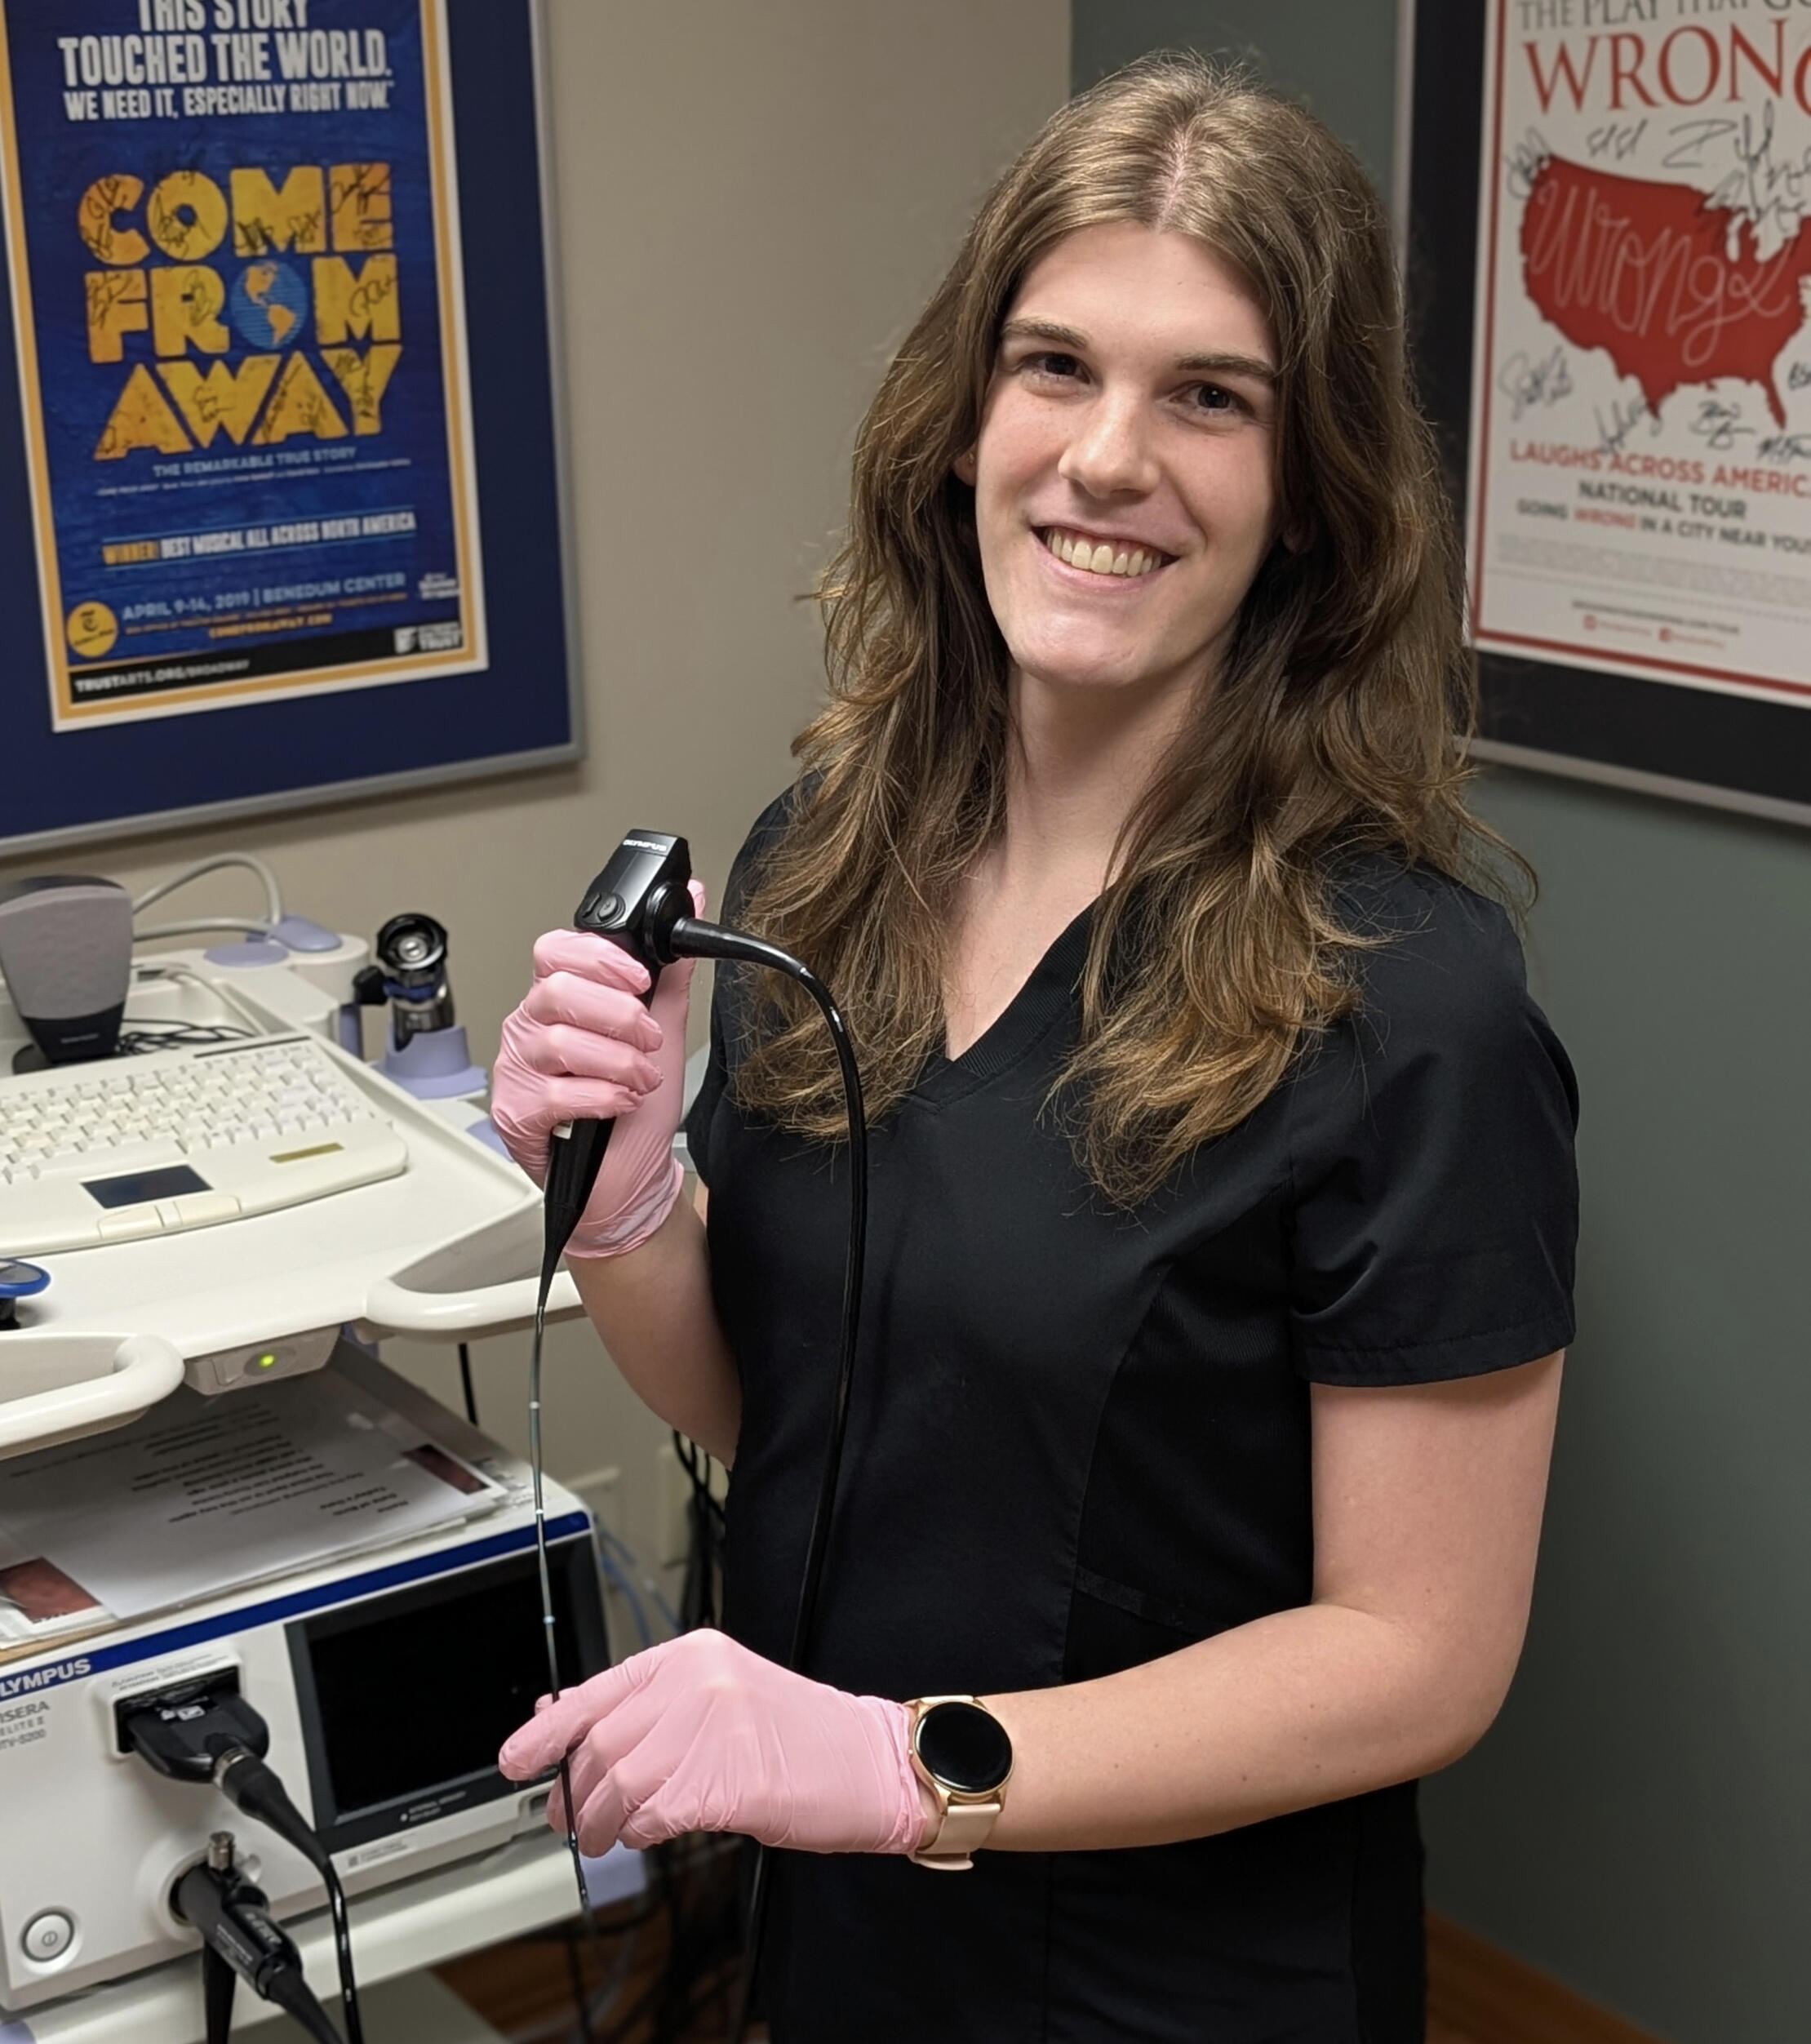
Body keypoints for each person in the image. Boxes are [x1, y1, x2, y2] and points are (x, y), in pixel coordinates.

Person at [492, 53, 1579, 2043]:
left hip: (1180, 1983)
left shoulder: (1411, 1007)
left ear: (1311, 498)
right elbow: (788, 1416)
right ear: (964, 418)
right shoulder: (821, 867)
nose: (1105, 456)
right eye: (1055, 366)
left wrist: (901, 1766)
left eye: (1211, 398)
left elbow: (1422, 1654)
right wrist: (632, 1205)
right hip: (848, 1936)